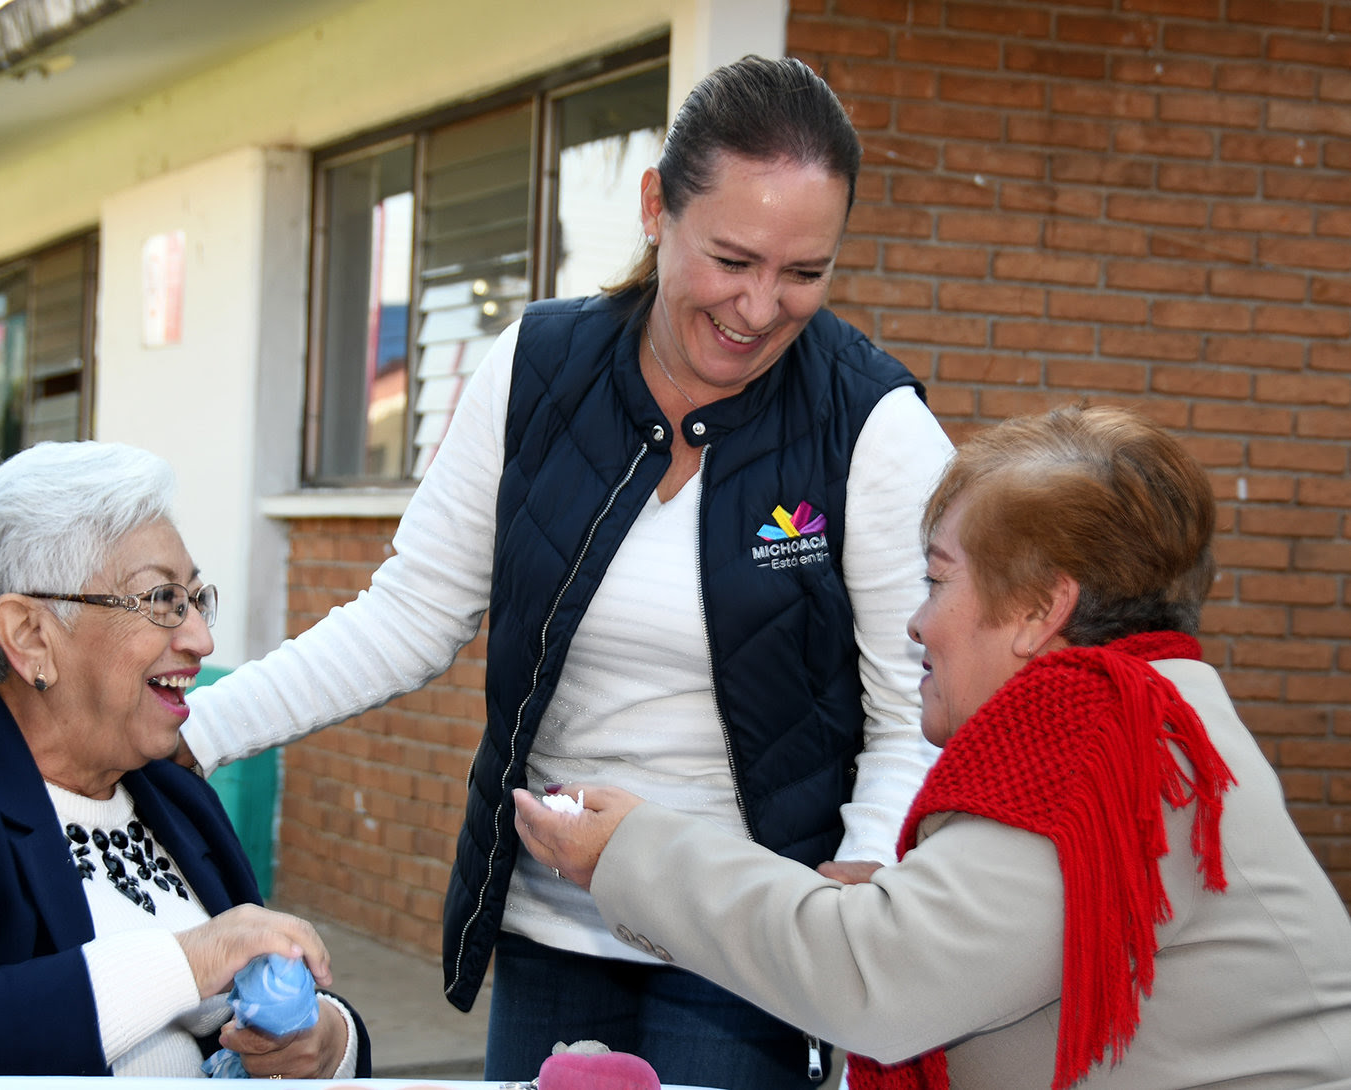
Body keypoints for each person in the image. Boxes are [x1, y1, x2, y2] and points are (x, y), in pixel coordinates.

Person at [181, 55, 953, 1088]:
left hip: (754, 939)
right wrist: (196, 734)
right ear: (653, 209)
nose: (761, 306)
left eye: (803, 272)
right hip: (554, 924)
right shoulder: (534, 371)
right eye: (731, 258)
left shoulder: (871, 425)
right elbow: (409, 615)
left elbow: (916, 707)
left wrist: (856, 888)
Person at [514, 405, 1351, 1090]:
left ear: (1038, 611)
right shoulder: (1150, 711)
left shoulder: (1095, 727)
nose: (917, 622)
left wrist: (631, 851)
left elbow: (877, 980)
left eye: (940, 578)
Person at [0, 442, 373, 1079]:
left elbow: (272, 1004)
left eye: (196, 599)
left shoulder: (170, 792)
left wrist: (329, 1042)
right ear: (31, 636)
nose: (200, 639)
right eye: (162, 600)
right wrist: (186, 964)